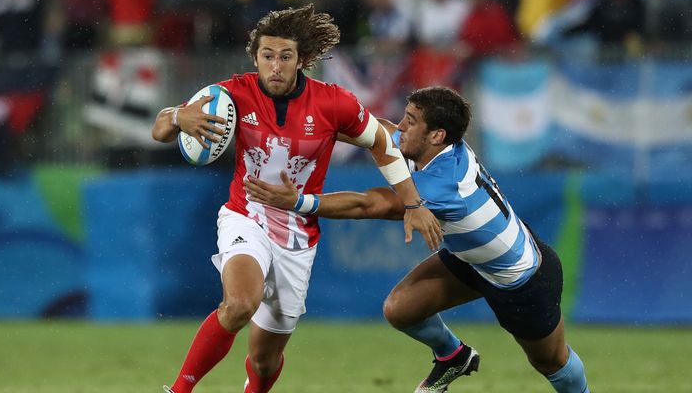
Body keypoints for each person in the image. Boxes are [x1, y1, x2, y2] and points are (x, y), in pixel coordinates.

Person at [151, 4, 441, 393]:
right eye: (267, 56)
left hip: (296, 236)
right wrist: (176, 117)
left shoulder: (333, 103)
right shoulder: (232, 93)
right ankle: (178, 390)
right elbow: (160, 130)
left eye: (285, 57)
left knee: (264, 359)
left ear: (301, 60)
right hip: (246, 215)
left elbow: (381, 143)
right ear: (254, 58)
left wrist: (412, 202)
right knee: (239, 304)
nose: (275, 66)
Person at [244, 86, 590, 393]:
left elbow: (370, 204)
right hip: (472, 260)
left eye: (410, 120)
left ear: (436, 135)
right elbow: (379, 133)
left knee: (552, 363)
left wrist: (300, 202)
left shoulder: (441, 186)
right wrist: (317, 120)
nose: (401, 126)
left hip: (521, 279)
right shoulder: (437, 147)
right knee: (400, 310)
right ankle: (454, 356)